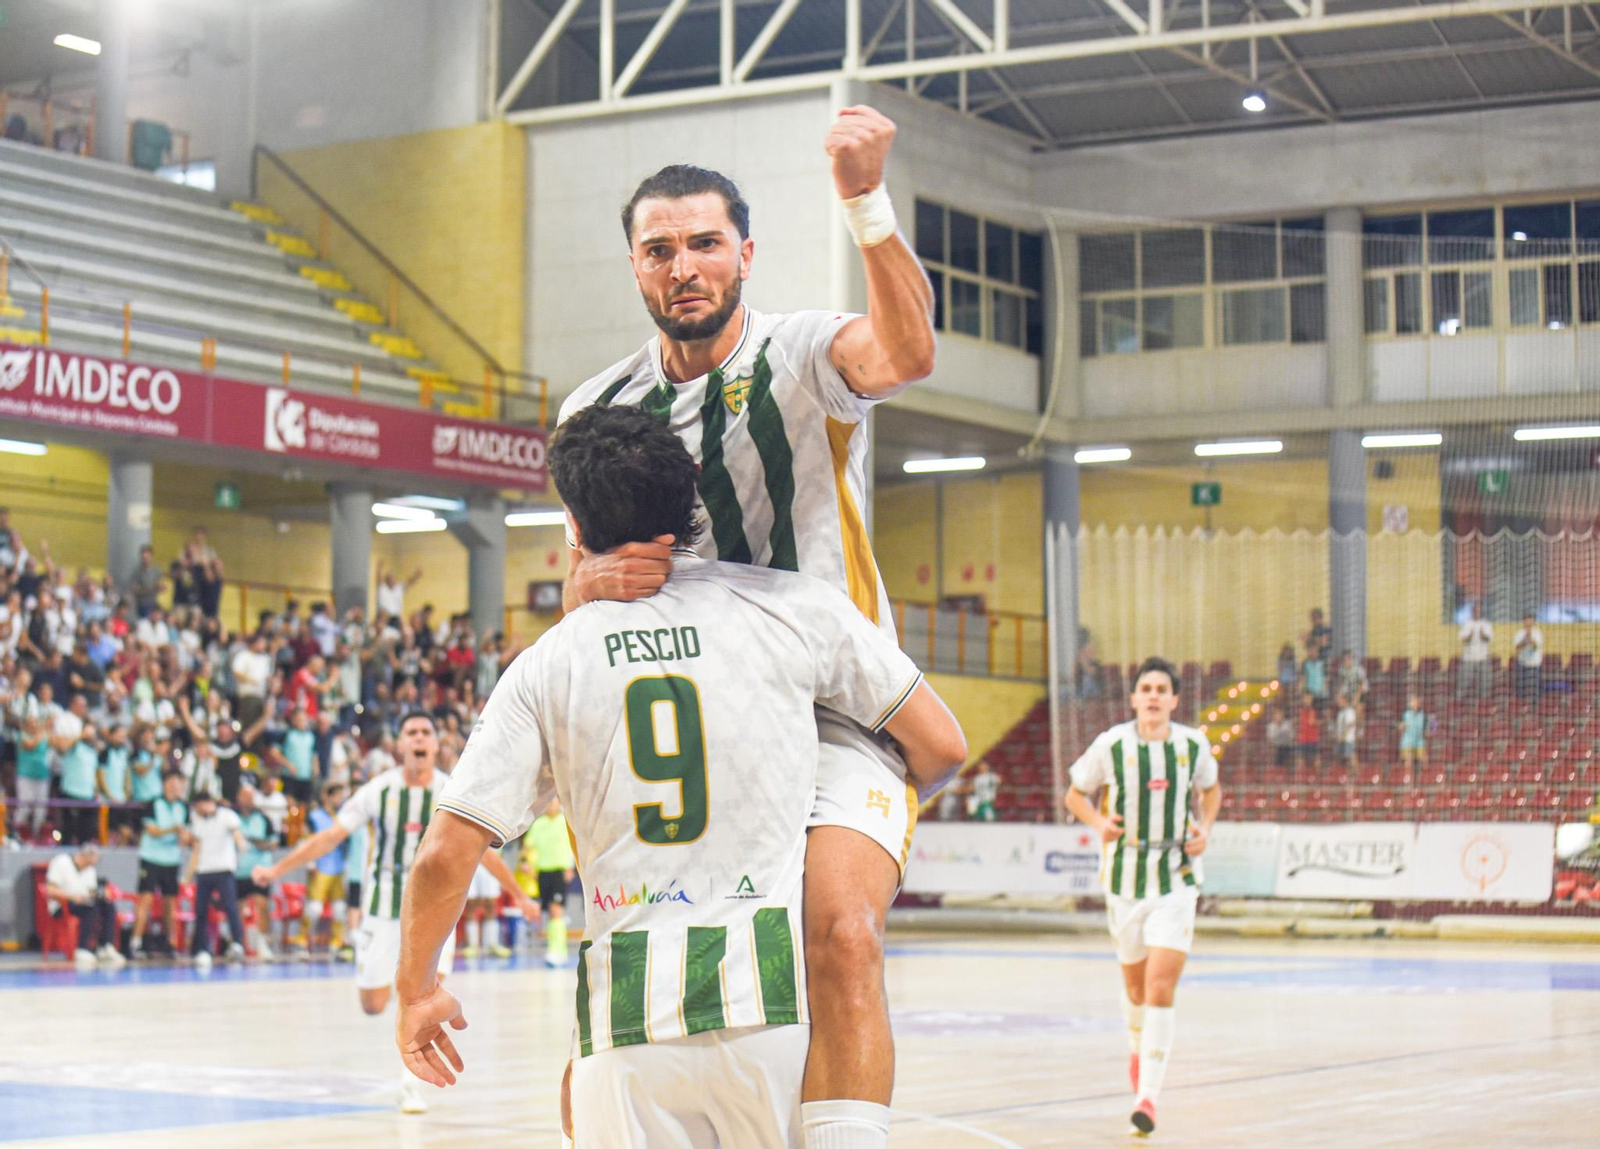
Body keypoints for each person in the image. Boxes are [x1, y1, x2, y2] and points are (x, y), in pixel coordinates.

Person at [394, 405, 965, 1148]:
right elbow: (942, 746)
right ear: (693, 500)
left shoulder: (547, 663)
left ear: (574, 525)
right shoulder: (794, 611)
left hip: (622, 1033)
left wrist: (416, 991)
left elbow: (443, 856)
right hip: (768, 1010)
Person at [556, 105, 939, 1139]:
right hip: (693, 728)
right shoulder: (596, 407)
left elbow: (908, 352)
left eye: (705, 243)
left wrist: (866, 201)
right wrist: (589, 585)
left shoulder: (802, 353)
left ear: (746, 254)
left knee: (842, 933)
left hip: (833, 713)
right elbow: (574, 582)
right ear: (635, 267)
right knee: (632, 980)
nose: (684, 266)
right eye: (660, 249)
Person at [253, 711, 535, 1114]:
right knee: (373, 1003)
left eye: (425, 732)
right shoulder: (378, 791)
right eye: (411, 733)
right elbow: (332, 836)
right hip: (382, 907)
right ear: (400, 745)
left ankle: (411, 1084)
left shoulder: (452, 791)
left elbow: (483, 854)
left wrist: (519, 895)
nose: (418, 738)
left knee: (423, 992)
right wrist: (278, 870)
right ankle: (398, 990)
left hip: (435, 909)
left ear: (435, 744)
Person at [1063, 657, 1221, 1138]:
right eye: (1146, 688)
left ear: (1174, 700)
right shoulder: (1111, 744)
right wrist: (1098, 822)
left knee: (1159, 987)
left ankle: (1147, 1097)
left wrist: (1205, 828)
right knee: (1134, 989)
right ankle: (1138, 1051)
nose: (1153, 695)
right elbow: (1074, 794)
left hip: (1176, 876)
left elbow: (1212, 790)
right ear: (1133, 698)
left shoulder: (1193, 745)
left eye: (1161, 689)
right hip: (1125, 877)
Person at [182, 790, 248, 969]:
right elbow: (196, 850)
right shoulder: (197, 821)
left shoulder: (226, 815)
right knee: (200, 911)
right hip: (204, 870)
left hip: (224, 868)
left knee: (230, 907)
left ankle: (237, 944)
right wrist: (188, 875)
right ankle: (202, 948)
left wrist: (240, 844)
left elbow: (236, 833)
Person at [130, 770, 191, 960]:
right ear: (165, 785)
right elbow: (152, 831)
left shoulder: (183, 808)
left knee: (170, 904)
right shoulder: (153, 804)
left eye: (178, 784)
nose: (175, 787)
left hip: (171, 860)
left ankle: (168, 942)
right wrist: (173, 829)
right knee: (145, 899)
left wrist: (185, 837)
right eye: (172, 783)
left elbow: (185, 837)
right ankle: (135, 943)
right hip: (151, 858)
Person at [45, 843, 125, 969]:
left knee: (108, 905)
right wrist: (72, 897)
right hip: (62, 903)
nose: (90, 865)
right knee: (90, 909)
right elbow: (50, 890)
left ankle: (106, 946)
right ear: (84, 855)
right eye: (89, 862)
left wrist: (101, 894)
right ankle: (82, 948)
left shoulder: (90, 869)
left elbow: (91, 892)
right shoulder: (61, 862)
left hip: (83, 902)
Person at [522, 797, 576, 968]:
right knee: (550, 913)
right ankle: (555, 949)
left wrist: (571, 867)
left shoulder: (566, 822)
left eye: (553, 803)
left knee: (556, 910)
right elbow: (527, 846)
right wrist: (525, 863)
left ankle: (558, 951)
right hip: (543, 872)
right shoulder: (538, 824)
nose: (550, 806)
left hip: (560, 870)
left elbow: (575, 846)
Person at [302, 779, 351, 958]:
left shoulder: (343, 817)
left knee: (339, 909)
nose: (339, 799)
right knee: (314, 908)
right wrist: (310, 862)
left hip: (338, 867)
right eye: (336, 795)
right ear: (327, 797)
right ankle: (303, 942)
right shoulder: (315, 816)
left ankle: (336, 944)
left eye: (341, 796)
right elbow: (307, 840)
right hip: (320, 867)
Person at [235, 784, 278, 960]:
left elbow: (274, 842)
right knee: (237, 908)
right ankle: (238, 943)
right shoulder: (232, 818)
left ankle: (262, 943)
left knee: (262, 905)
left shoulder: (263, 818)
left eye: (251, 797)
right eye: (245, 797)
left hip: (260, 869)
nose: (248, 800)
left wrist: (263, 845)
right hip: (239, 870)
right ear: (239, 798)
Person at [1458, 603, 1493, 698]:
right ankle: (1460, 699)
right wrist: (1470, 635)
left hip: (1483, 657)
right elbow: (1463, 639)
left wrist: (1483, 635)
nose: (1477, 612)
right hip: (1468, 658)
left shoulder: (1486, 624)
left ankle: (1484, 700)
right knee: (1464, 681)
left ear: (1481, 612)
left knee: (1485, 682)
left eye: (1479, 611)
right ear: (1472, 612)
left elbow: (1489, 639)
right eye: (1475, 611)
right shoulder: (1466, 624)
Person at [1512, 614, 1544, 702]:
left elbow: (1535, 647)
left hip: (1535, 665)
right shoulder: (1519, 633)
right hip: (1522, 665)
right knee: (1521, 691)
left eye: (1530, 621)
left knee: (1535, 691)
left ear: (1533, 622)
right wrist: (1525, 639)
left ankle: (1535, 706)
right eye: (1526, 621)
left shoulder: (1538, 633)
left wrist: (1529, 637)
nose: (1528, 623)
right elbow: (1517, 647)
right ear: (1523, 622)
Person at [1295, 691, 1322, 774]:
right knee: (1300, 758)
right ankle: (1300, 775)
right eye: (1306, 698)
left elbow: (1314, 722)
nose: (1307, 700)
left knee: (1316, 758)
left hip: (1313, 738)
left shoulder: (1316, 709)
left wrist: (1318, 722)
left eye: (1309, 698)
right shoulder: (1301, 710)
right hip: (1303, 738)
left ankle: (1319, 776)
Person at [1334, 694, 1360, 772]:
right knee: (1340, 757)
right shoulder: (1340, 712)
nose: (1338, 702)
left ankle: (1357, 772)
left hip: (1348, 738)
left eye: (1340, 700)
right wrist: (1337, 734)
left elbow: (1351, 724)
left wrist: (1343, 735)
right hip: (1340, 738)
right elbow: (1338, 725)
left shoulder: (1350, 711)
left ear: (1345, 700)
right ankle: (1344, 773)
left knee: (1351, 756)